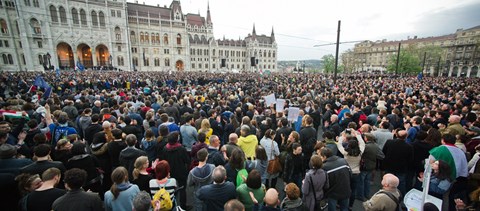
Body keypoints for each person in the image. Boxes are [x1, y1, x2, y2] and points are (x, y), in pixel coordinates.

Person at [157, 131, 190, 208]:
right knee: (182, 189)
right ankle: (183, 206)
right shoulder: (181, 148)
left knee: (170, 188)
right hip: (181, 171)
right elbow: (187, 160)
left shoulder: (165, 148)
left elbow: (163, 159)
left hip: (170, 171)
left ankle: (170, 204)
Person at [336, 130, 365, 208]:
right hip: (356, 173)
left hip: (346, 172)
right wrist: (357, 135)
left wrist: (342, 136)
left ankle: (341, 204)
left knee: (343, 188)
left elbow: (339, 145)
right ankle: (350, 206)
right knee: (353, 189)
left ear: (348, 145)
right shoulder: (360, 152)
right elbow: (362, 143)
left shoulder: (346, 153)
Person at [382, 130, 413, 196]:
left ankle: (386, 194)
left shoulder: (389, 142)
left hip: (389, 165)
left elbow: (384, 151)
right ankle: (400, 196)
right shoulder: (409, 146)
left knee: (387, 180)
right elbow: (410, 159)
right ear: (406, 137)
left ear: (396, 135)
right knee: (401, 182)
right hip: (401, 167)